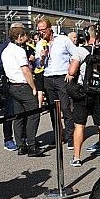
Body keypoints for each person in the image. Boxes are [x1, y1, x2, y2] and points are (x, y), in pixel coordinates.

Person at [68, 23, 100, 166]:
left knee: (79, 125)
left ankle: (77, 157)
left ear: (86, 36)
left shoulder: (80, 51)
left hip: (84, 92)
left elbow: (72, 71)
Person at [2, 27, 46, 157]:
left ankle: (21, 145)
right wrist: (34, 87)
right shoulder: (19, 50)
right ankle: (31, 145)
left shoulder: (5, 51)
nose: (27, 39)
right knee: (34, 113)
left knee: (19, 116)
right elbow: (25, 70)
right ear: (19, 36)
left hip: (12, 85)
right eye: (25, 36)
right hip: (22, 85)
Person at [40, 18, 81, 149]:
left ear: (49, 29)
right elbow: (37, 64)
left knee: (65, 108)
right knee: (53, 110)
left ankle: (70, 137)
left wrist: (71, 72)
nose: (41, 33)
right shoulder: (40, 44)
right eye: (39, 30)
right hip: (48, 77)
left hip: (62, 77)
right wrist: (41, 57)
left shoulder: (63, 40)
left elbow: (76, 55)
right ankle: (58, 135)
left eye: (43, 30)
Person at [0, 22, 25, 151]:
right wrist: (13, 67)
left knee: (23, 111)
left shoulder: (24, 46)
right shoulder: (4, 47)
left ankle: (22, 137)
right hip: (9, 82)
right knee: (9, 111)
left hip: (23, 83)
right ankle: (8, 138)